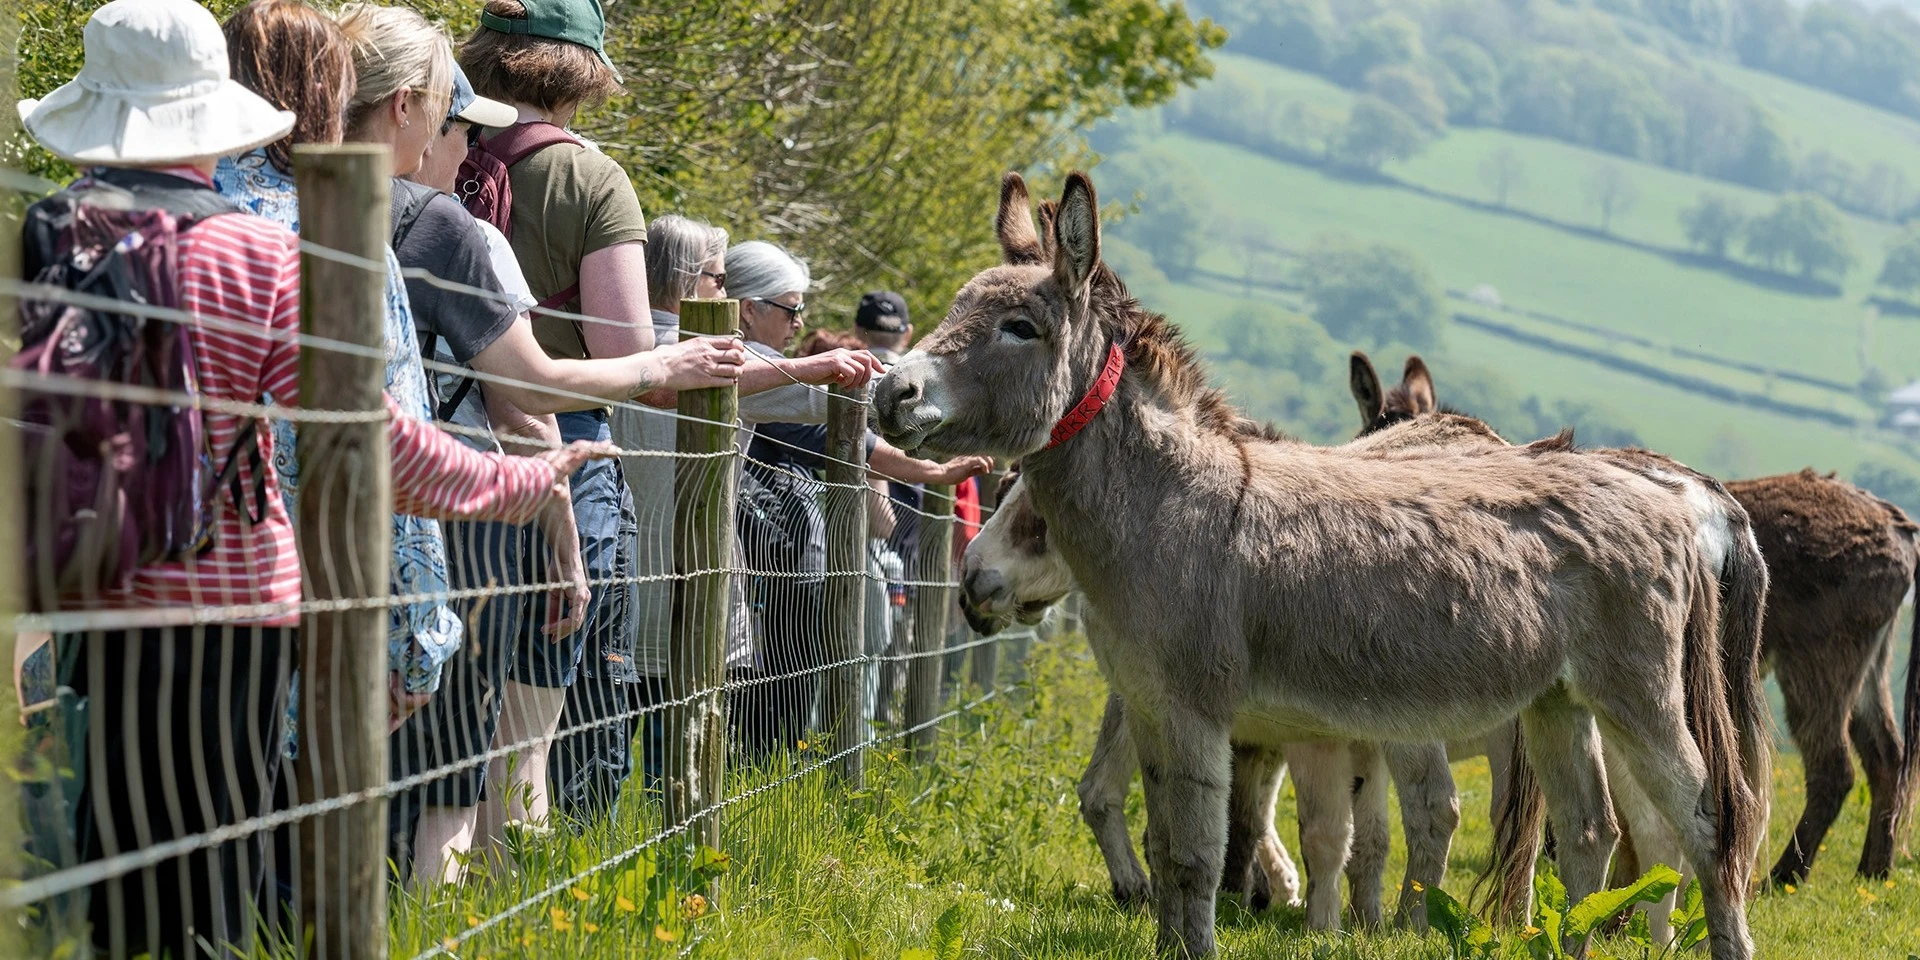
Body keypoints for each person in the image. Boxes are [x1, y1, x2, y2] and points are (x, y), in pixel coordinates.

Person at [16, 2, 602, 955]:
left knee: (112, 884)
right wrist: (518, 486)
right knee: (216, 893)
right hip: (234, 618)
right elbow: (370, 445)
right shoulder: (265, 253)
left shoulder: (55, 235)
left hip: (96, 598)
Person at [725, 242, 989, 757]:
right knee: (792, 687)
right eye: (791, 309)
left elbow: (846, 436)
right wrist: (938, 438)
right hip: (767, 561)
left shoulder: (748, 364)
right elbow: (838, 430)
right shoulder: (745, 370)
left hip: (773, 557)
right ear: (749, 309)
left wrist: (931, 468)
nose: (799, 322)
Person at [853, 291, 922, 723]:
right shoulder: (917, 385)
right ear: (908, 333)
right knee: (883, 658)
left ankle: (868, 735)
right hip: (891, 537)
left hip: (863, 540)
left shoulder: (851, 375)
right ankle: (874, 736)